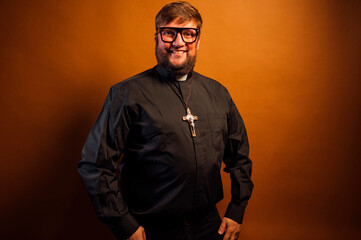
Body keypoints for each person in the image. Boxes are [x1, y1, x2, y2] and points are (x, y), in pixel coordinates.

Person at [78, 1, 253, 240]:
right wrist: (123, 224)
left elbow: (239, 156)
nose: (178, 42)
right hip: (151, 230)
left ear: (198, 41)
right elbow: (95, 165)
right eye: (169, 33)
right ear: (157, 38)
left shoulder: (218, 93)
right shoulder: (127, 94)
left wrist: (237, 208)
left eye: (188, 34)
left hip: (209, 227)